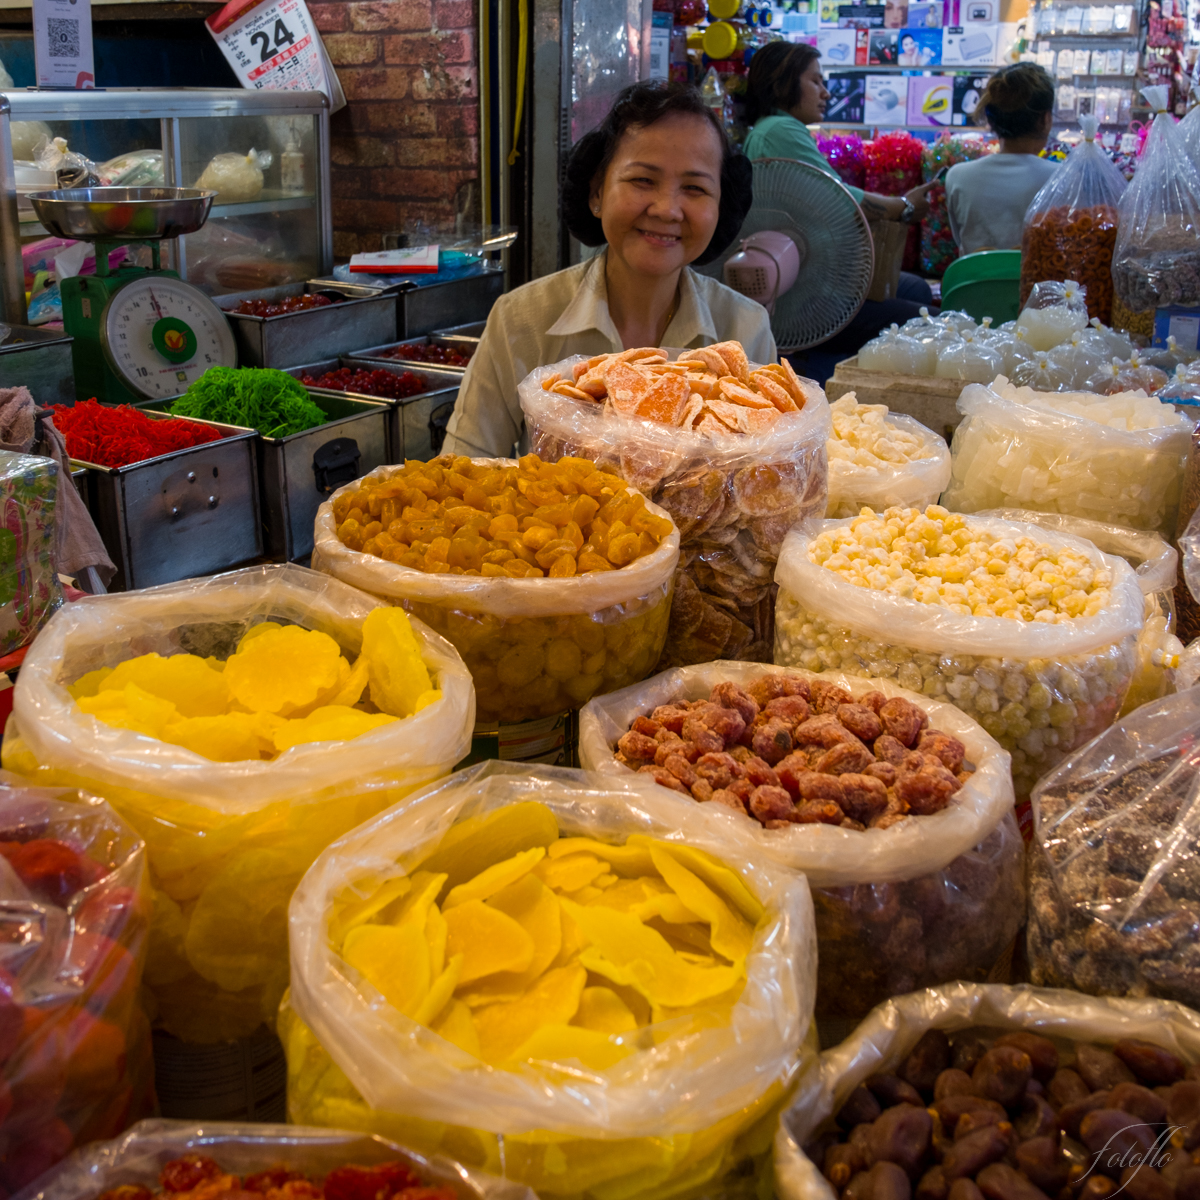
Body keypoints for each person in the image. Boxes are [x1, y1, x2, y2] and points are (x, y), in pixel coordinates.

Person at [442, 82, 776, 459]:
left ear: (720, 208)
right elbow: (458, 471)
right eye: (643, 180)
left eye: (695, 188)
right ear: (597, 192)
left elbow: (769, 481)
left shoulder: (745, 329)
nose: (667, 209)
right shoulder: (520, 321)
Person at [741, 41, 940, 367]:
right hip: (807, 298)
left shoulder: (772, 130)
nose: (826, 93)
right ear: (782, 83)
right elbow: (841, 199)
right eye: (815, 81)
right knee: (932, 322)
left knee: (915, 288)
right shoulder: (780, 130)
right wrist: (902, 206)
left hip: (813, 279)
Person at [944, 63, 1059, 255]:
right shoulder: (1060, 179)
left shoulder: (957, 177)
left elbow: (961, 241)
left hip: (974, 284)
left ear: (991, 120)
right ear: (1045, 119)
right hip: (1037, 285)